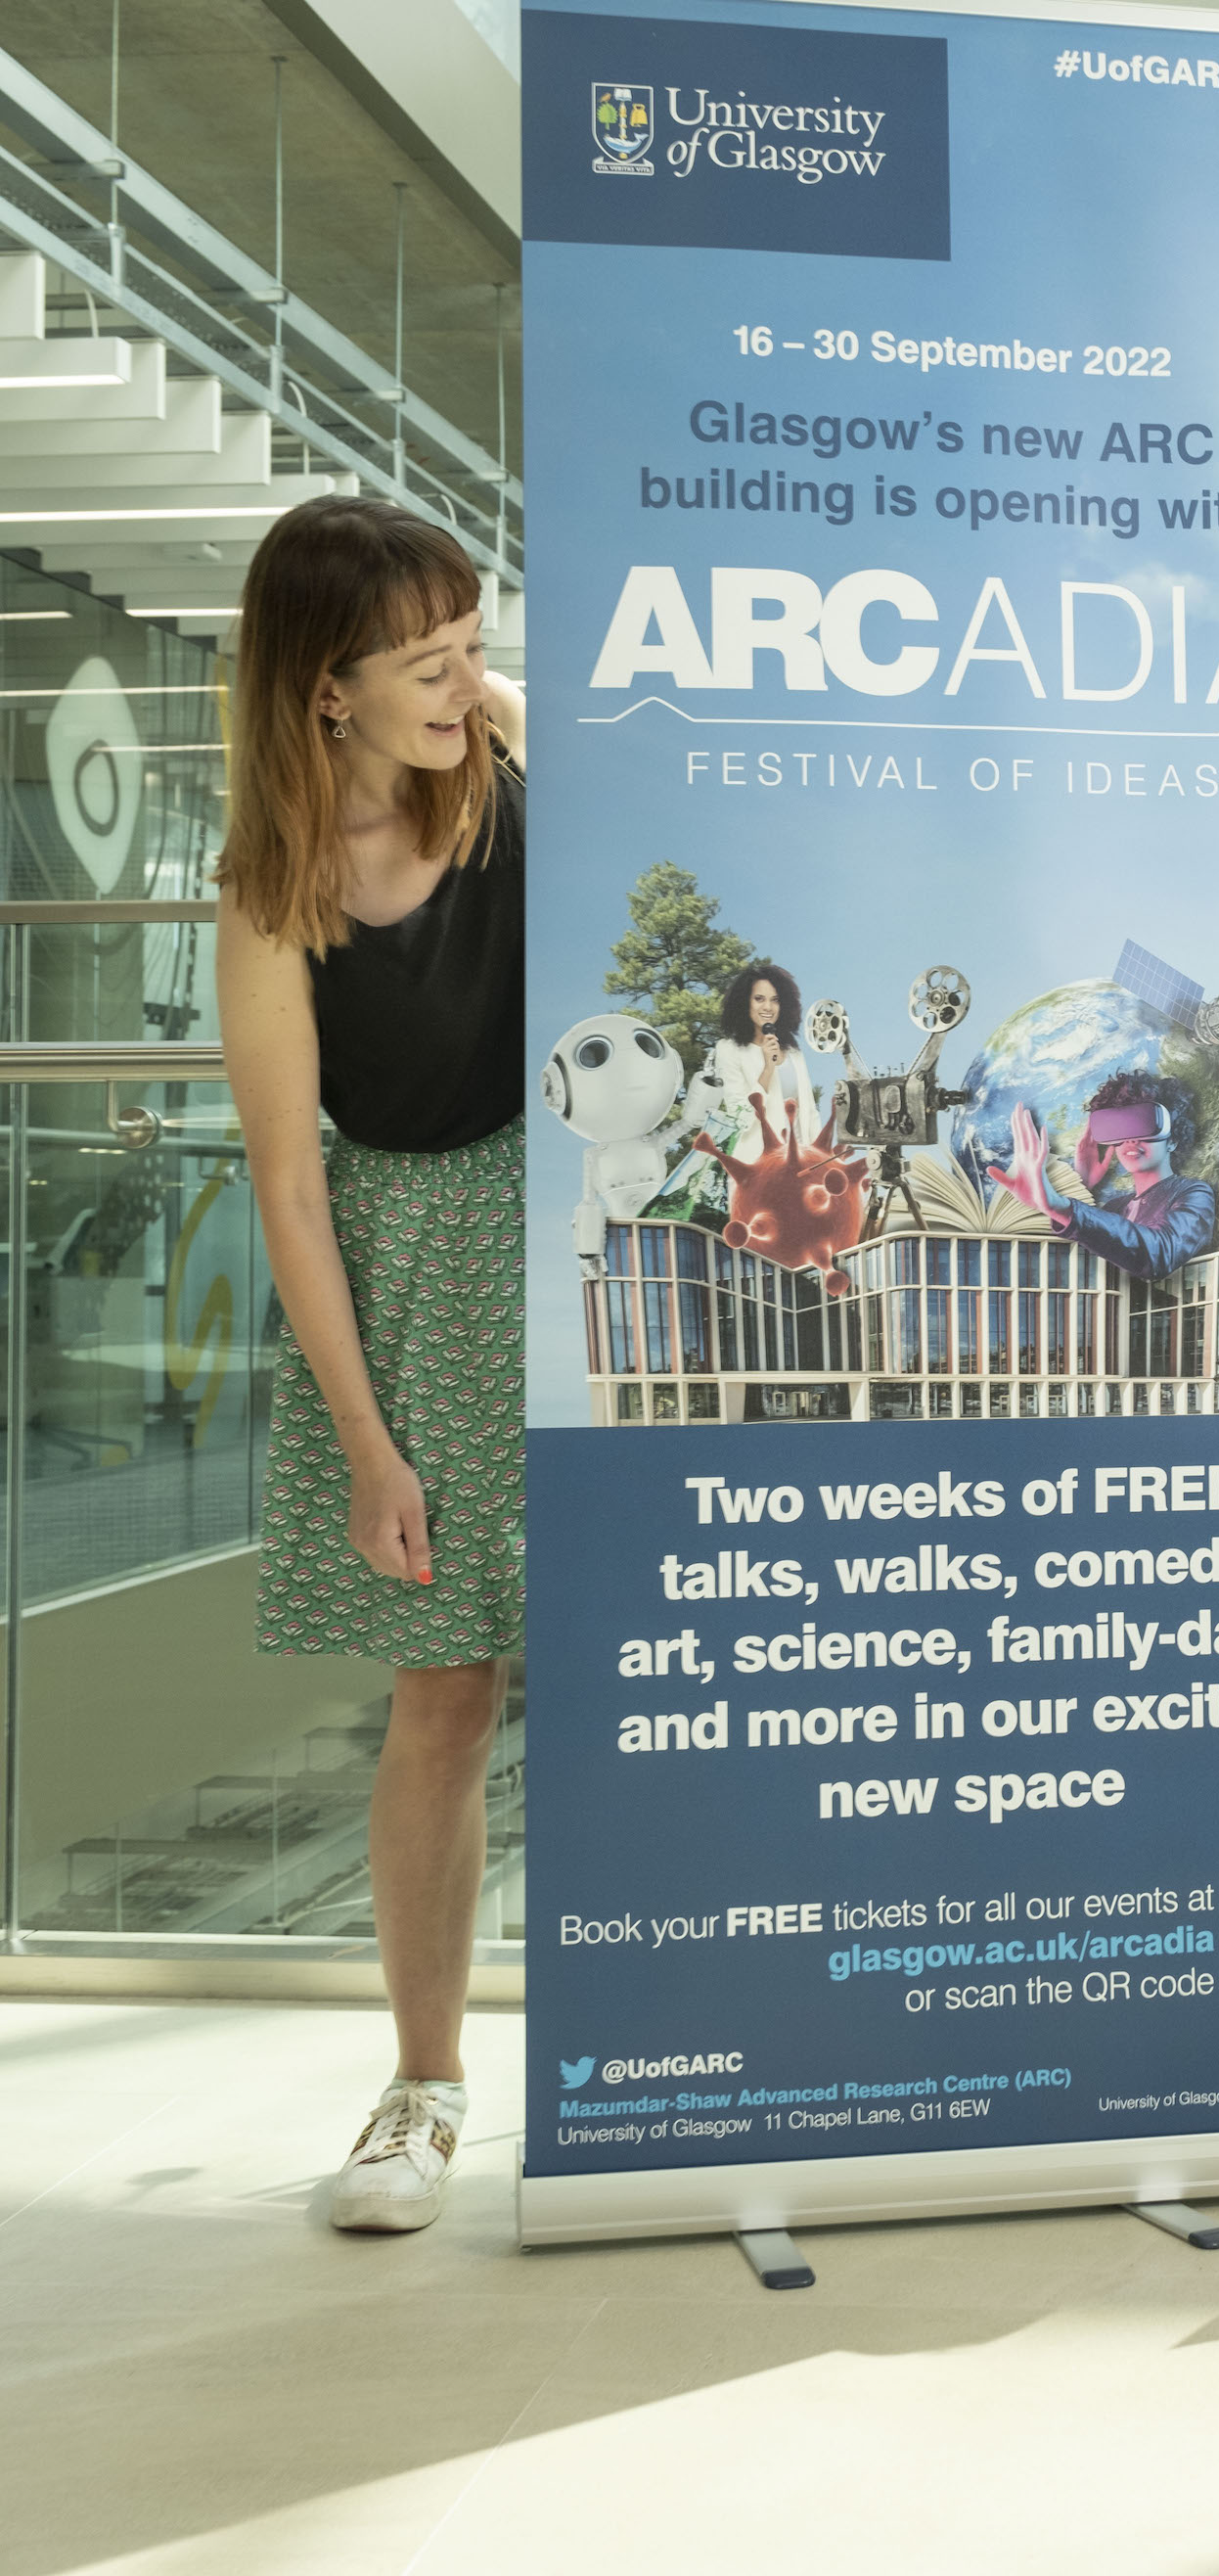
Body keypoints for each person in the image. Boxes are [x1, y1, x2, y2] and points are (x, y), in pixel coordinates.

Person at [218, 494, 525, 2235]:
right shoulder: (272, 895)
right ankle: (423, 2090)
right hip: (410, 1278)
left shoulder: (508, 758)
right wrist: (366, 1441)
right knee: (448, 1696)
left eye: (472, 642)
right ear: (323, 693)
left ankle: (705, 2046)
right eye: (429, 661)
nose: (467, 682)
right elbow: (287, 1183)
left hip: (590, 1241)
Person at [990, 1069, 1216, 1281]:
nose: (1131, 1139)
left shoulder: (1195, 1193)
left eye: (1145, 1124)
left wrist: (1061, 1206)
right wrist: (1080, 1185)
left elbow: (1161, 1254)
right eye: (1121, 1128)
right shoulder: (1114, 1208)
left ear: (1173, 1139)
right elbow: (1066, 1271)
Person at [682, 961, 820, 1166]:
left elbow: (809, 1113)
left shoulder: (793, 1052)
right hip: (757, 1170)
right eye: (759, 999)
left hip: (801, 1167)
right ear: (744, 1002)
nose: (768, 1007)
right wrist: (767, 1069)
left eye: (775, 1000)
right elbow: (740, 1119)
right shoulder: (729, 1050)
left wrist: (821, 1160)